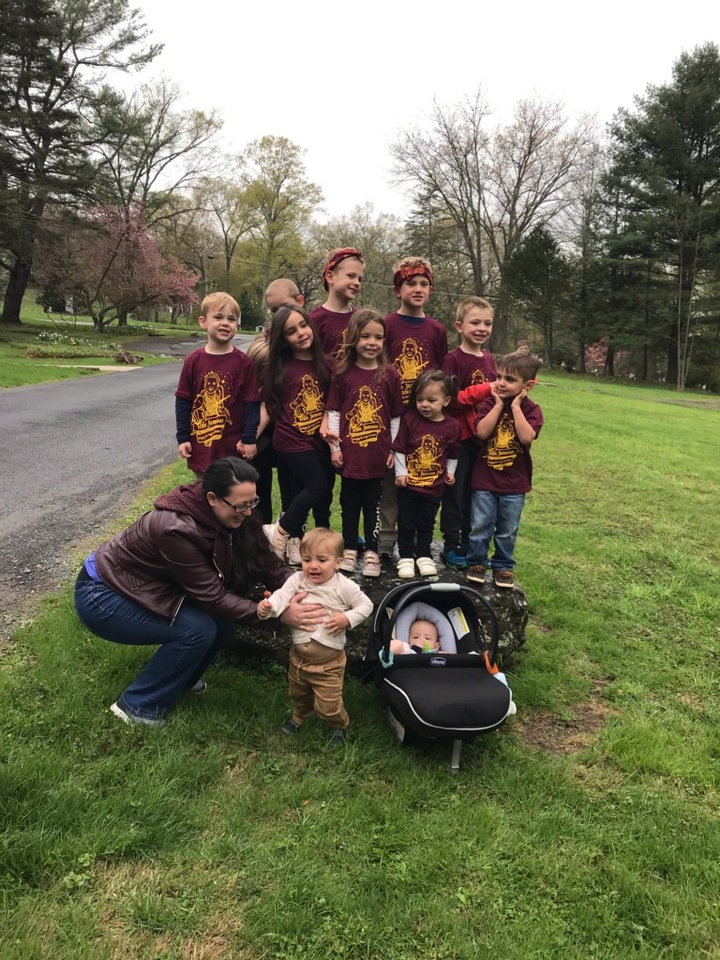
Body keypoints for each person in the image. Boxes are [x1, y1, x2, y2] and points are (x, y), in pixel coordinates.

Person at [74, 458, 325, 727]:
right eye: (241, 505)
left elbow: (264, 561)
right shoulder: (176, 529)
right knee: (196, 630)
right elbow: (213, 598)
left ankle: (181, 680)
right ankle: (137, 706)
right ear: (212, 498)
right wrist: (280, 615)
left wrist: (301, 587)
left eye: (253, 502)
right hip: (102, 594)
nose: (249, 512)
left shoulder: (235, 513)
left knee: (223, 623)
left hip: (145, 586)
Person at [257, 528, 373, 743]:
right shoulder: (297, 580)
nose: (313, 566)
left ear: (338, 563)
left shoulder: (343, 585)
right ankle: (299, 715)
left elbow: (366, 605)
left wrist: (346, 619)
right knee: (298, 694)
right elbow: (282, 595)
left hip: (328, 663)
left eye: (322, 559)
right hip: (299, 659)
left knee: (328, 703)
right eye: (307, 559)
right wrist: (269, 606)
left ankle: (337, 724)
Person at [323, 309, 404, 577]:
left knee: (373, 504)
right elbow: (334, 412)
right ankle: (349, 547)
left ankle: (371, 550)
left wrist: (392, 448)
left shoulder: (390, 375)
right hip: (349, 454)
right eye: (365, 336)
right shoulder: (342, 373)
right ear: (354, 338)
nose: (372, 342)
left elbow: (395, 416)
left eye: (378, 337)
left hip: (377, 455)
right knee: (349, 502)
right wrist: (335, 448)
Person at [378, 256, 448, 560]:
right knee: (392, 484)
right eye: (410, 283)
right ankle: (386, 540)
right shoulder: (387, 325)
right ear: (398, 289)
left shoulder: (436, 330)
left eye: (424, 284)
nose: (418, 289)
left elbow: (442, 377)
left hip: (426, 420)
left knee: (422, 482)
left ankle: (419, 544)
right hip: (392, 418)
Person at [259, 304, 334, 562]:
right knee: (317, 485)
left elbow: (334, 402)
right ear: (283, 339)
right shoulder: (281, 367)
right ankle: (279, 531)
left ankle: (317, 544)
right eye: (292, 331)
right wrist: (250, 438)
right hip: (290, 439)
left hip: (318, 442)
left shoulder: (327, 365)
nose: (301, 333)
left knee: (320, 493)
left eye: (303, 325)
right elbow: (268, 405)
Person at [466, 348, 544, 589]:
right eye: (499, 376)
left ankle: (503, 566)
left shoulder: (532, 410)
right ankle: (477, 562)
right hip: (485, 479)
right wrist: (499, 406)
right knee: (480, 525)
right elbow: (481, 432)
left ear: (528, 385)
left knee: (507, 529)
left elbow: (526, 437)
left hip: (514, 483)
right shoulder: (489, 403)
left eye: (509, 380)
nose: (500, 383)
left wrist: (516, 408)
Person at [440, 297, 498, 570]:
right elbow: (450, 400)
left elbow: (496, 398)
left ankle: (470, 543)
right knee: (456, 493)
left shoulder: (488, 359)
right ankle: (451, 544)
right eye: (475, 322)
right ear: (459, 326)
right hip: (459, 438)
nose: (481, 328)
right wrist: (487, 390)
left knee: (477, 495)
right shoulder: (453, 359)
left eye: (487, 323)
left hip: (483, 439)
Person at [175, 292, 259, 478]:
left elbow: (251, 403)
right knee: (205, 494)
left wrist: (249, 439)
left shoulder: (244, 362)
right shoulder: (193, 361)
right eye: (218, 317)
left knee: (232, 494)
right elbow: (183, 401)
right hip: (202, 445)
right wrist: (183, 438)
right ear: (203, 322)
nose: (225, 323)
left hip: (233, 447)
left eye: (231, 319)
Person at [393, 369, 461, 579]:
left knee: (426, 521)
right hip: (409, 484)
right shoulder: (410, 419)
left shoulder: (452, 426)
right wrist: (401, 472)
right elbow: (400, 448)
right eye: (420, 399)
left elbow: (453, 453)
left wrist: (450, 472)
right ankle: (405, 556)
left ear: (446, 400)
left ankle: (423, 554)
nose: (424, 404)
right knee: (406, 521)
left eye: (431, 400)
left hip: (434, 486)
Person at [310, 247, 365, 360]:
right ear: (330, 277)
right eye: (351, 276)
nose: (357, 283)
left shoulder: (361, 319)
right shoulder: (314, 320)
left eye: (360, 279)